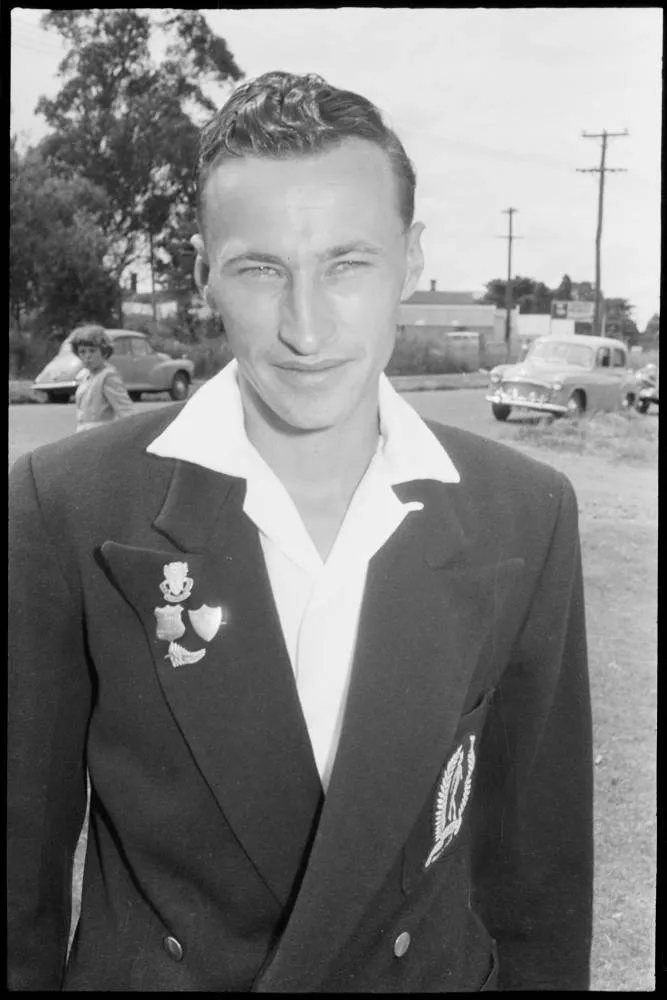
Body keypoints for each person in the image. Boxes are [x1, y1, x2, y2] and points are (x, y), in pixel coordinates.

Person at [8, 71, 593, 993]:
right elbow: (18, 888)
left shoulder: (525, 513)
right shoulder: (65, 506)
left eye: (347, 264)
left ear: (410, 258)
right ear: (204, 272)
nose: (306, 329)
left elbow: (538, 881)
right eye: (260, 268)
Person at [70, 324, 135, 431]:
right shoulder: (84, 375)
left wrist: (136, 430)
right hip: (83, 433)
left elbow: (125, 410)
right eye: (82, 352)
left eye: (92, 351)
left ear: (104, 352)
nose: (87, 356)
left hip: (101, 433)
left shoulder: (108, 376)